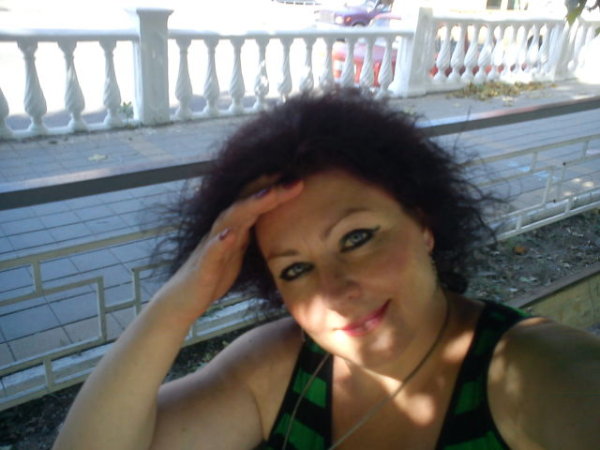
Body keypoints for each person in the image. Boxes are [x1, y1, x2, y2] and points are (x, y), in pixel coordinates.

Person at [53, 90, 600, 450]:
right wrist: (178, 304)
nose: (334, 293)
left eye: (356, 239)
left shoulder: (533, 373)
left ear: (423, 223)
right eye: (295, 270)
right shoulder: (281, 369)